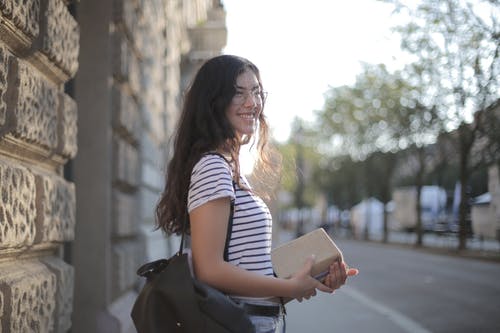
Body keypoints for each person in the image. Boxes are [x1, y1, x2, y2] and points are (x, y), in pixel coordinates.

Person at [155, 55, 358, 333]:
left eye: (256, 92)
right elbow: (209, 269)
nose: (252, 102)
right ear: (213, 101)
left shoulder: (230, 170)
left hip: (256, 320)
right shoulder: (213, 167)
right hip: (238, 324)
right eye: (238, 93)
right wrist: (288, 286)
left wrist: (311, 279)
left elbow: (246, 272)